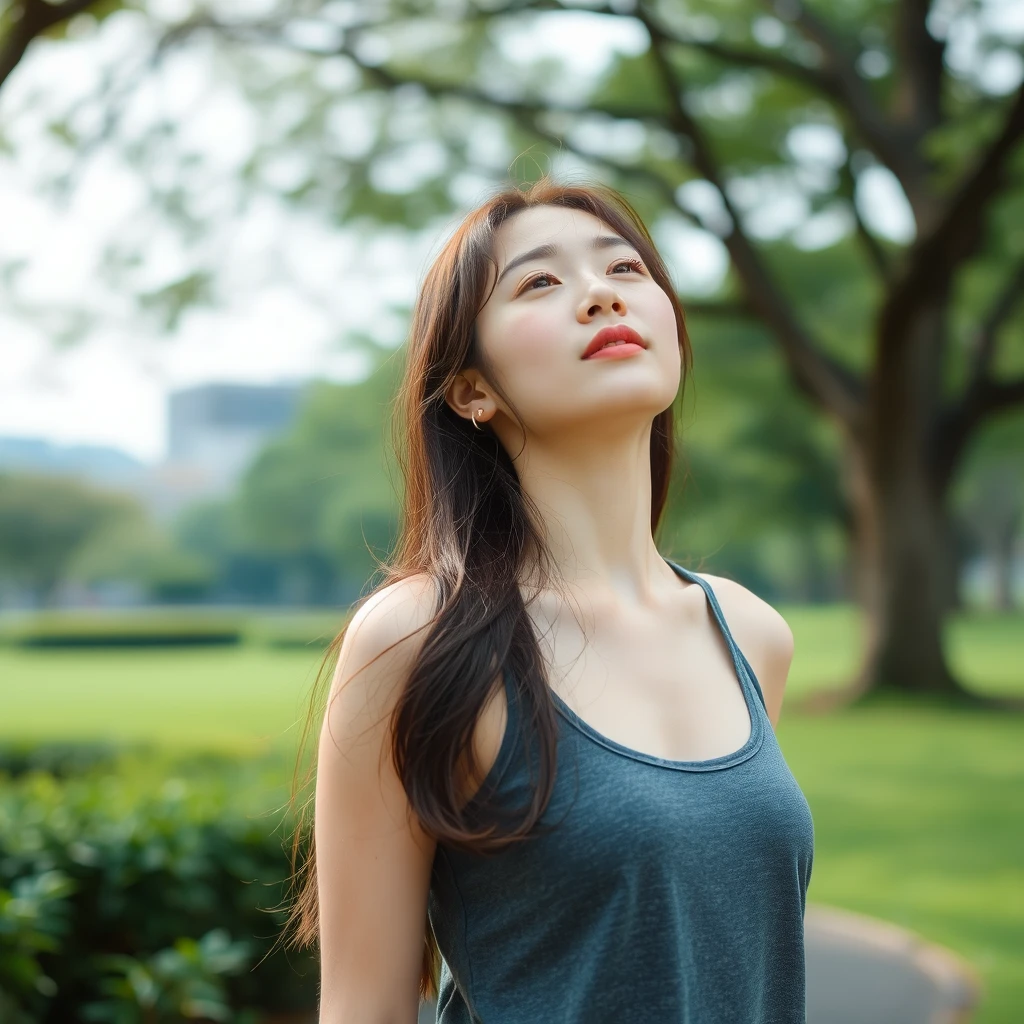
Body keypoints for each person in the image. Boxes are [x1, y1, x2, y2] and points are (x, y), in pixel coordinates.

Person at [282, 176, 815, 1023]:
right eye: (540, 281)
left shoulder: (751, 634)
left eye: (627, 270)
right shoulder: (418, 640)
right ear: (470, 390)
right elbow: (363, 1005)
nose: (602, 293)